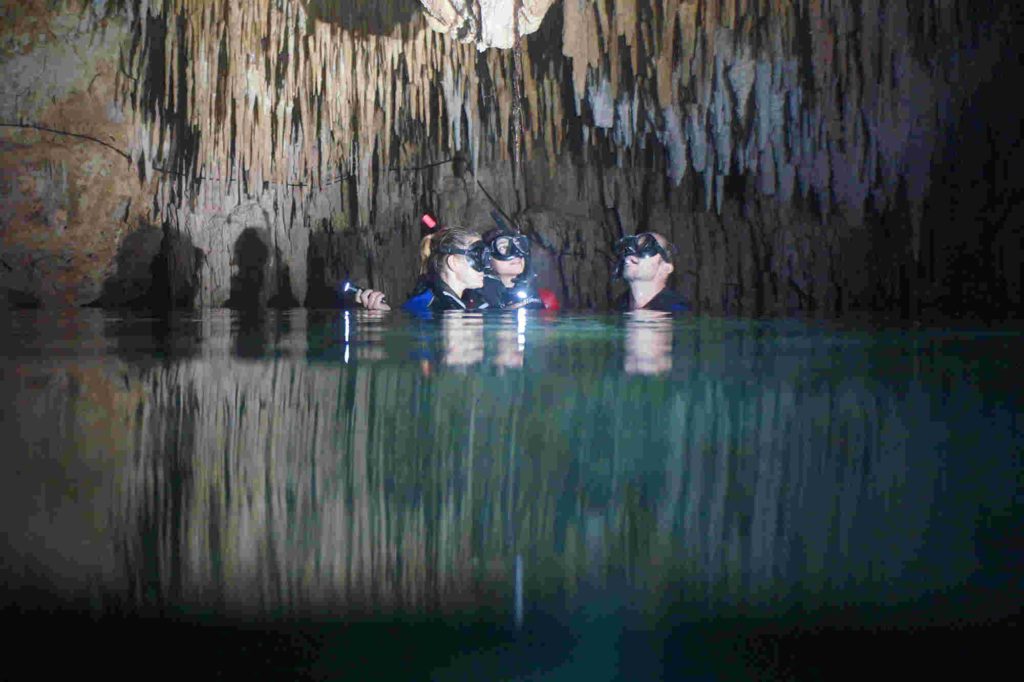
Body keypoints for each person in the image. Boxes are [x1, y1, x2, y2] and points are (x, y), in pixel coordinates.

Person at [464, 227, 560, 311]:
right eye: (503, 247)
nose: (517, 253)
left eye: (520, 246)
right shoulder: (472, 297)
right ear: (486, 257)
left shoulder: (545, 298)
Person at [402, 227, 490, 312]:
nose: (486, 266)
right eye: (477, 257)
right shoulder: (422, 305)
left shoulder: (472, 301)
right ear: (454, 263)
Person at [613, 232, 689, 312]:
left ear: (666, 267)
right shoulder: (615, 308)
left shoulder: (679, 309)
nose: (629, 257)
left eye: (646, 248)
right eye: (627, 251)